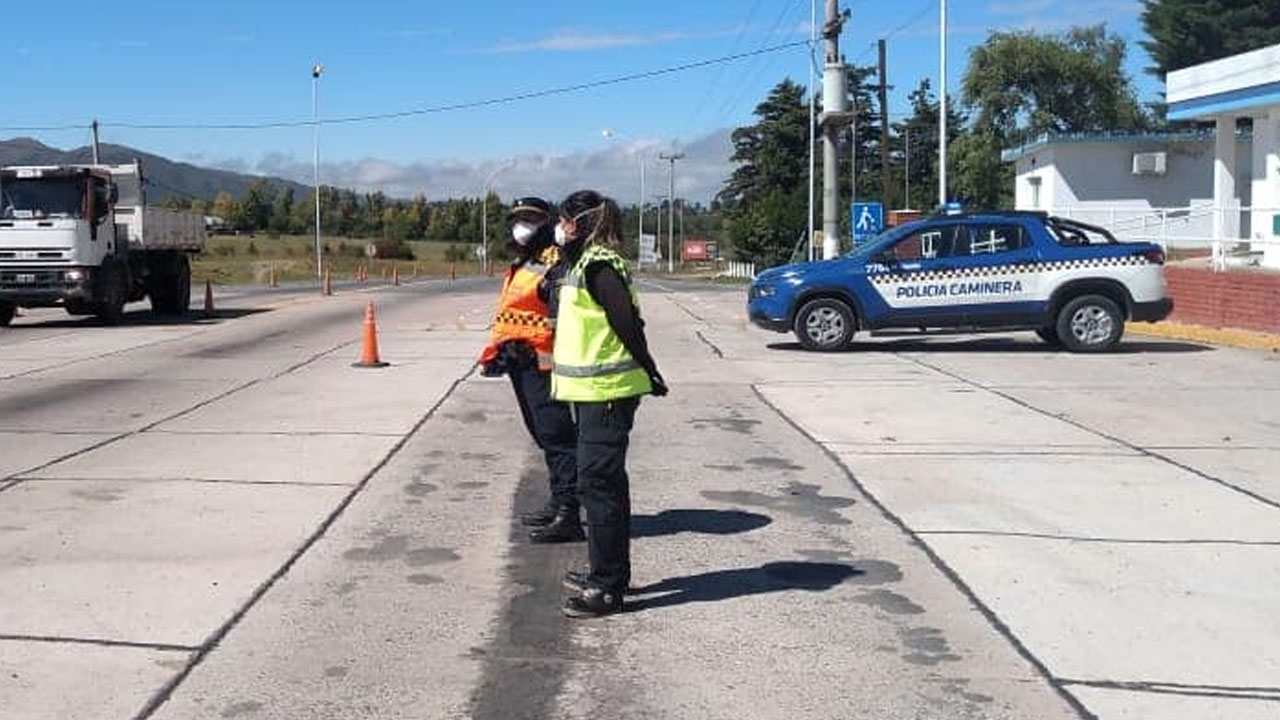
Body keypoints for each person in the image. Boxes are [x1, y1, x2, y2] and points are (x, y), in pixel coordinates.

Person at [550, 190, 668, 618]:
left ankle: (607, 587)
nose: (559, 228)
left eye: (565, 220)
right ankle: (607, 570)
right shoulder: (583, 263)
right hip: (596, 394)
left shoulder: (599, 266)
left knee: (600, 488)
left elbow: (624, 322)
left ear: (582, 224)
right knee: (599, 486)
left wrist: (650, 370)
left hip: (610, 395)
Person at [478, 197, 583, 544]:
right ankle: (559, 500)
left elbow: (561, 312)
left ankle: (569, 511)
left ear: (548, 223)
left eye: (530, 219)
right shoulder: (527, 260)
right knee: (542, 434)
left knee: (556, 435)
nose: (521, 226)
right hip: (518, 357)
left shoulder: (555, 261)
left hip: (542, 359)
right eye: (518, 219)